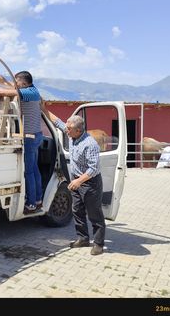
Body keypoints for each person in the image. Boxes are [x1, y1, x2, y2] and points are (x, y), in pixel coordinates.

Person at [0, 65, 43, 214]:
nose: (14, 84)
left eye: (17, 82)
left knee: (29, 172)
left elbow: (3, 91)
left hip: (30, 138)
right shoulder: (29, 90)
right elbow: (3, 81)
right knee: (35, 169)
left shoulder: (29, 93)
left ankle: (32, 203)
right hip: (36, 136)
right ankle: (38, 200)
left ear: (24, 84)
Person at [44, 109, 105, 255]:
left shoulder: (90, 144)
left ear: (78, 130)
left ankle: (98, 244)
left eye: (69, 129)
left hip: (90, 183)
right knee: (77, 210)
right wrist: (43, 108)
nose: (66, 130)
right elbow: (58, 122)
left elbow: (94, 168)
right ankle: (83, 238)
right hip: (77, 181)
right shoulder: (72, 135)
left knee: (94, 214)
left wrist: (78, 181)